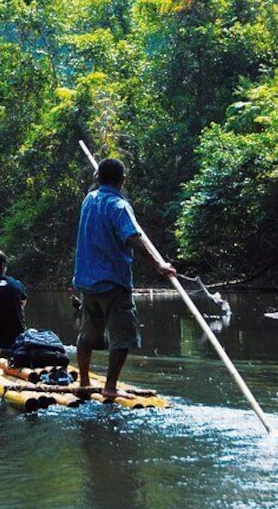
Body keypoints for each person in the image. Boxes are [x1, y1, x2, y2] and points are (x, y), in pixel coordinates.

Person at [72, 157, 176, 400]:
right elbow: (133, 237)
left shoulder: (89, 201)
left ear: (98, 179)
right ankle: (110, 386)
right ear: (123, 180)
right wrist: (159, 264)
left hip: (87, 282)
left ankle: (85, 381)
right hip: (113, 282)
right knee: (122, 336)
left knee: (88, 333)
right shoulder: (118, 206)